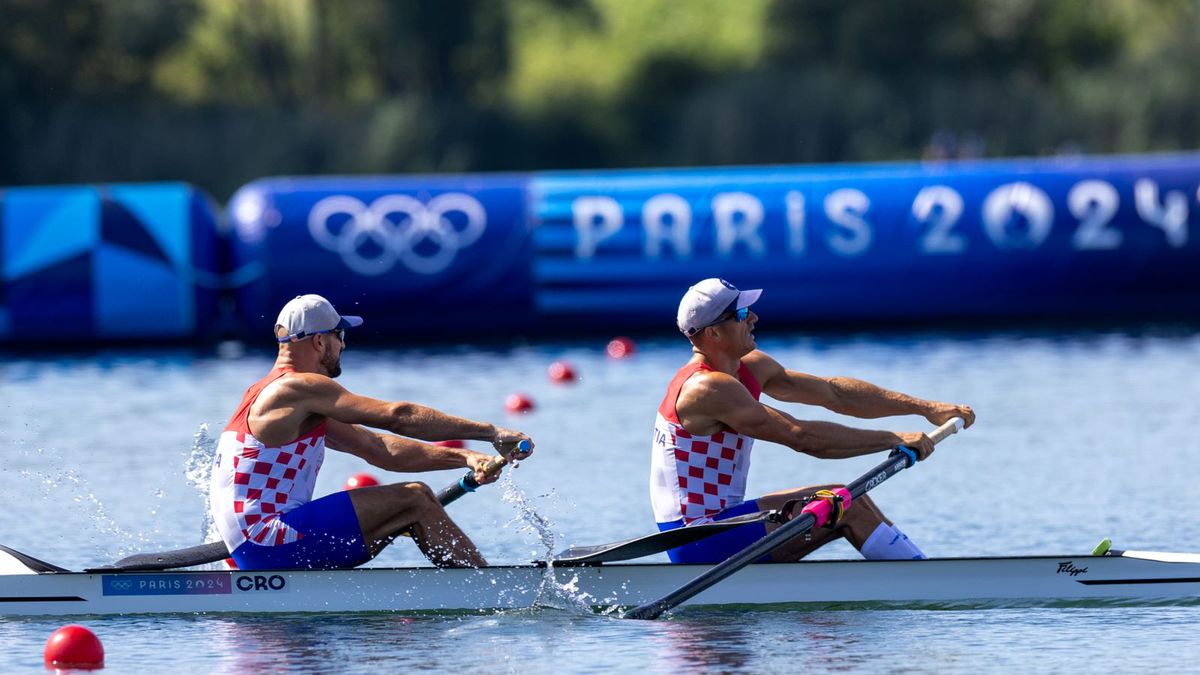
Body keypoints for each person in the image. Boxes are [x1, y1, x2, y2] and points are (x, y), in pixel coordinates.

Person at [651, 278, 974, 564]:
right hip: (695, 536)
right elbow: (803, 437)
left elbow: (835, 394)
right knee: (844, 503)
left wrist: (925, 407)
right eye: (741, 315)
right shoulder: (707, 387)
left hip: (725, 522)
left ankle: (908, 573)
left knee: (842, 499)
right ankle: (921, 581)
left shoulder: (748, 366)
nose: (754, 318)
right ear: (713, 333)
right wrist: (893, 439)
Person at [209, 294, 533, 571]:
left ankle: (467, 582)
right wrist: (491, 431)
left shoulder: (274, 394)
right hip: (267, 542)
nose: (343, 345)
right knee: (415, 498)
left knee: (411, 500)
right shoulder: (299, 388)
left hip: (249, 547)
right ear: (320, 341)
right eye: (340, 336)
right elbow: (398, 417)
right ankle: (483, 588)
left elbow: (378, 448)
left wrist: (465, 457)